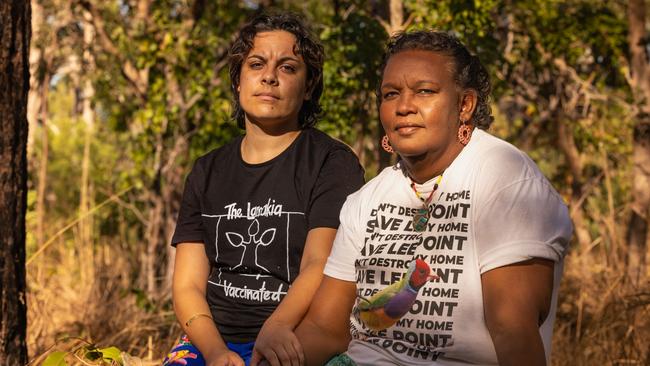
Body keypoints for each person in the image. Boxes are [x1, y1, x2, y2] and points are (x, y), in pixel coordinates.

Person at [295, 30, 573, 366]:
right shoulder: (365, 200)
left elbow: (512, 332)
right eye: (390, 94)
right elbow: (325, 329)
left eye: (425, 91)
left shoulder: (504, 179)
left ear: (464, 104)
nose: (404, 107)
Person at [164, 12, 365, 366]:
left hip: (296, 336)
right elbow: (187, 286)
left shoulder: (331, 162)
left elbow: (320, 262)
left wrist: (277, 325)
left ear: (307, 88)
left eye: (288, 68)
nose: (269, 76)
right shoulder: (207, 170)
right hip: (210, 339)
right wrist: (215, 353)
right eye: (256, 64)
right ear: (238, 81)